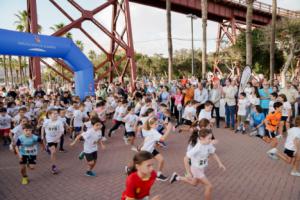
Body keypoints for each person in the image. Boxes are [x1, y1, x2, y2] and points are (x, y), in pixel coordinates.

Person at [170, 129, 225, 200]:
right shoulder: (197, 147)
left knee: (194, 183)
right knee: (209, 186)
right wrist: (188, 172)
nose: (210, 140)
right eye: (209, 138)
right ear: (202, 138)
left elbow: (213, 153)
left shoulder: (208, 144)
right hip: (196, 169)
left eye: (211, 138)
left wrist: (220, 163)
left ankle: (177, 177)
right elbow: (185, 159)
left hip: (202, 168)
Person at [140, 117, 173, 181]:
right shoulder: (153, 131)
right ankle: (130, 170)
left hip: (151, 150)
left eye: (157, 124)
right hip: (146, 152)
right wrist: (168, 129)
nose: (157, 125)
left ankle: (158, 175)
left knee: (161, 160)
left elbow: (147, 138)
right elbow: (162, 139)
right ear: (150, 125)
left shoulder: (148, 129)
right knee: (144, 165)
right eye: (155, 124)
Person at [41, 109, 64, 174]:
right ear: (50, 115)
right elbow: (42, 128)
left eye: (57, 113)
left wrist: (57, 138)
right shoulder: (47, 121)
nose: (56, 115)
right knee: (53, 152)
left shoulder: (59, 122)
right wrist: (42, 137)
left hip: (56, 138)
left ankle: (48, 148)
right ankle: (53, 166)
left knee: (53, 151)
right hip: (49, 138)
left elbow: (61, 131)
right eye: (54, 113)